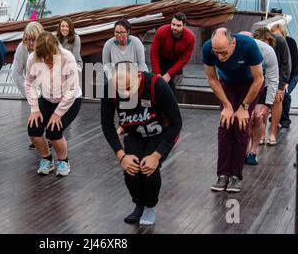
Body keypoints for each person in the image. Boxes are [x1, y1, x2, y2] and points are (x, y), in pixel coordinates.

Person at [101, 62, 182, 225]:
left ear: (138, 76)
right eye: (120, 88)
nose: (124, 92)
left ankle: (150, 207)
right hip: (135, 133)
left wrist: (156, 155)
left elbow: (176, 123)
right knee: (131, 169)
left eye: (128, 87)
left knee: (148, 170)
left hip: (160, 132)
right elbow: (106, 124)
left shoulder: (156, 85)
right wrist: (121, 155)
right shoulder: (110, 88)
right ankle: (139, 205)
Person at [203, 28, 264, 193]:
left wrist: (244, 107)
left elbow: (259, 79)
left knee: (241, 126)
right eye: (217, 53)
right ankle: (222, 175)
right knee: (225, 125)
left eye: (223, 52)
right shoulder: (208, 48)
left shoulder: (248, 45)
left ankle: (236, 176)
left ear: (233, 43)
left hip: (250, 85)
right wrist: (227, 105)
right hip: (228, 84)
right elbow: (212, 78)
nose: (220, 57)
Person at [25, 32, 82, 176]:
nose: (47, 61)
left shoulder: (67, 57)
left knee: (54, 132)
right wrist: (34, 108)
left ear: (56, 49)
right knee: (33, 129)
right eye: (44, 58)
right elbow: (29, 83)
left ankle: (64, 161)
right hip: (47, 99)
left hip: (70, 100)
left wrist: (58, 114)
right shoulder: (32, 58)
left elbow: (72, 88)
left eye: (50, 57)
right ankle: (47, 158)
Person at [238, 32, 279, 166]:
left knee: (259, 117)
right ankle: (244, 149)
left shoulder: (267, 51)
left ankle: (253, 151)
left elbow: (273, 79)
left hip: (262, 83)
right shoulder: (234, 49)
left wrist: (268, 103)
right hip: (243, 84)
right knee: (247, 118)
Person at [11, 22, 49, 150]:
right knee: (36, 116)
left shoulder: (49, 47)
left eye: (34, 40)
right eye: (28, 39)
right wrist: (28, 94)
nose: (30, 43)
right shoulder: (22, 49)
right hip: (32, 87)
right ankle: (38, 138)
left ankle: (47, 138)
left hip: (49, 87)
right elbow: (16, 74)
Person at [253, 27, 290, 146]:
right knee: (261, 105)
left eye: (266, 44)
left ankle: (273, 133)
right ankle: (261, 133)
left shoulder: (280, 41)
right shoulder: (252, 45)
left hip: (277, 75)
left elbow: (286, 63)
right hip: (260, 76)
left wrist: (281, 86)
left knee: (277, 100)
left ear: (269, 40)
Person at [150, 12, 195, 94]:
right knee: (155, 81)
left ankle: (172, 103)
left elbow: (184, 58)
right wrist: (157, 72)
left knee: (170, 83)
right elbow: (154, 51)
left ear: (184, 26)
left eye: (178, 25)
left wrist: (169, 74)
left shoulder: (190, 38)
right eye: (173, 24)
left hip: (176, 61)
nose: (175, 27)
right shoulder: (162, 31)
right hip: (161, 57)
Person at [270, 24, 298, 128]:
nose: (276, 38)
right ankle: (275, 116)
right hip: (278, 74)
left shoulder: (290, 42)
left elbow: (294, 63)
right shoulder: (271, 43)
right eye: (274, 35)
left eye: (278, 35)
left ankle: (285, 120)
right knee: (273, 95)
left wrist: (287, 82)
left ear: (283, 34)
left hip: (292, 73)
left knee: (285, 94)